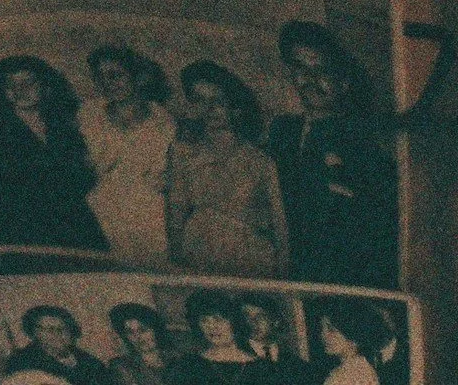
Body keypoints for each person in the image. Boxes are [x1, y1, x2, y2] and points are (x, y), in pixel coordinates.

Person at [268, 21, 400, 287]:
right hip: (288, 268)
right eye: (301, 69)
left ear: (343, 84)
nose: (310, 81)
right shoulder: (282, 130)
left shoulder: (363, 140)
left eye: (322, 71)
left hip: (340, 274)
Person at [164, 58, 286, 276]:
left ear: (234, 105)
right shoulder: (183, 153)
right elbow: (176, 215)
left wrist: (282, 276)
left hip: (250, 262)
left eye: (218, 100)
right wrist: (177, 267)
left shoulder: (261, 162)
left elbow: (280, 226)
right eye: (199, 100)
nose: (210, 109)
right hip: (199, 257)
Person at [0, 53, 110, 250]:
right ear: (2, 90)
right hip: (20, 230)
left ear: (45, 86)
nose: (20, 90)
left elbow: (83, 173)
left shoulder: (64, 124)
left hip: (74, 225)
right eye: (11, 84)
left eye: (28, 82)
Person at [79, 43, 174, 267]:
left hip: (148, 213)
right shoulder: (89, 116)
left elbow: (166, 175)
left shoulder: (163, 122)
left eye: (116, 75)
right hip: (102, 210)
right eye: (100, 77)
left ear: (138, 76)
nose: (108, 84)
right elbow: (82, 167)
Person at [5, 305, 114, 384]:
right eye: (49, 329)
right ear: (34, 333)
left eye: (63, 328)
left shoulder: (90, 362)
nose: (57, 334)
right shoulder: (21, 362)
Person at [171, 291, 257, 384]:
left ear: (234, 322)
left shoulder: (260, 367)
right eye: (204, 321)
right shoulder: (189, 366)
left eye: (218, 320)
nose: (211, 327)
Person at [309, 299, 394, 385]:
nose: (323, 335)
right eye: (322, 328)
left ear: (352, 336)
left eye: (331, 330)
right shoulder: (356, 367)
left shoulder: (353, 372)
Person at [230, 295, 295, 385]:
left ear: (275, 322)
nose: (253, 322)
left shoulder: (294, 362)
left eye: (261, 316)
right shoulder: (234, 358)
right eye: (247, 316)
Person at [107, 303, 171, 385]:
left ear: (155, 331)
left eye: (143, 330)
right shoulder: (122, 366)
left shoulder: (174, 358)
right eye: (130, 332)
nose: (137, 336)